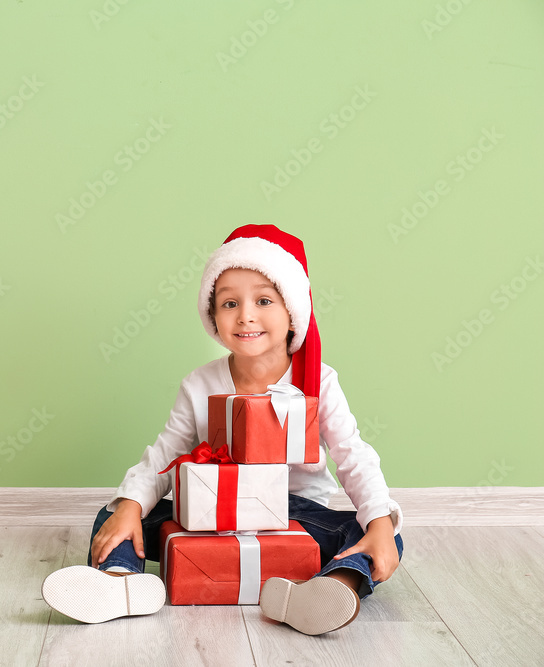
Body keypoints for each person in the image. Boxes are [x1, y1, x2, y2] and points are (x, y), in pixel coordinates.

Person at [41, 224, 404, 635]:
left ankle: (329, 590)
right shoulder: (200, 384)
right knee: (117, 513)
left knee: (378, 531)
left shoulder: (318, 381)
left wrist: (378, 524)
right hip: (213, 511)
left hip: (291, 514)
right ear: (213, 316)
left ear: (293, 314)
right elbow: (164, 455)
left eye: (264, 300)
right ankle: (119, 582)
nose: (246, 315)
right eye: (230, 303)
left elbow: (353, 455)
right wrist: (131, 506)